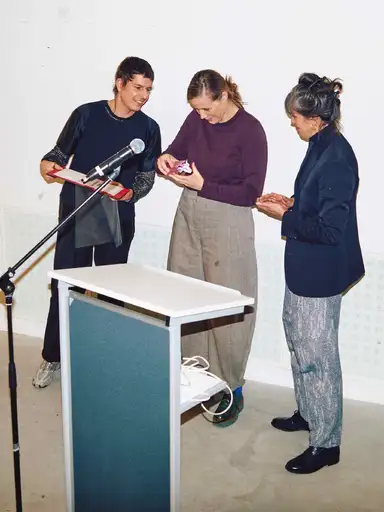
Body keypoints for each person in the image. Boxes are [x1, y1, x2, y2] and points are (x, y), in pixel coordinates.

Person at [256, 73, 365, 473]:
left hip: (320, 272)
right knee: (299, 341)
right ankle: (308, 412)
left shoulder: (336, 158)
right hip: (304, 267)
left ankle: (326, 443)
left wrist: (284, 214)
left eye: (296, 117)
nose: (292, 122)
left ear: (316, 118)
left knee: (317, 356)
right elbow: (316, 204)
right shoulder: (320, 144)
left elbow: (331, 230)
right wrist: (292, 201)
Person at [33, 56, 161, 388]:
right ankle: (54, 357)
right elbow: (59, 154)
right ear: (119, 83)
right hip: (78, 207)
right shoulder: (86, 114)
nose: (143, 95)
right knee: (66, 285)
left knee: (110, 291)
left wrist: (130, 193)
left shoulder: (148, 128)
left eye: (148, 89)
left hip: (117, 214)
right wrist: (48, 164)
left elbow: (146, 179)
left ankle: (107, 359)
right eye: (137, 87)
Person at [157, 69, 268, 427]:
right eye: (197, 110)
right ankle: (193, 377)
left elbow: (251, 193)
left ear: (224, 96)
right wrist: (166, 160)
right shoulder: (195, 118)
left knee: (227, 304)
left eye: (206, 109)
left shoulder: (251, 130)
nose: (201, 117)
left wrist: (205, 184)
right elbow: (177, 150)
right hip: (189, 212)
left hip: (229, 219)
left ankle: (230, 386)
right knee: (185, 296)